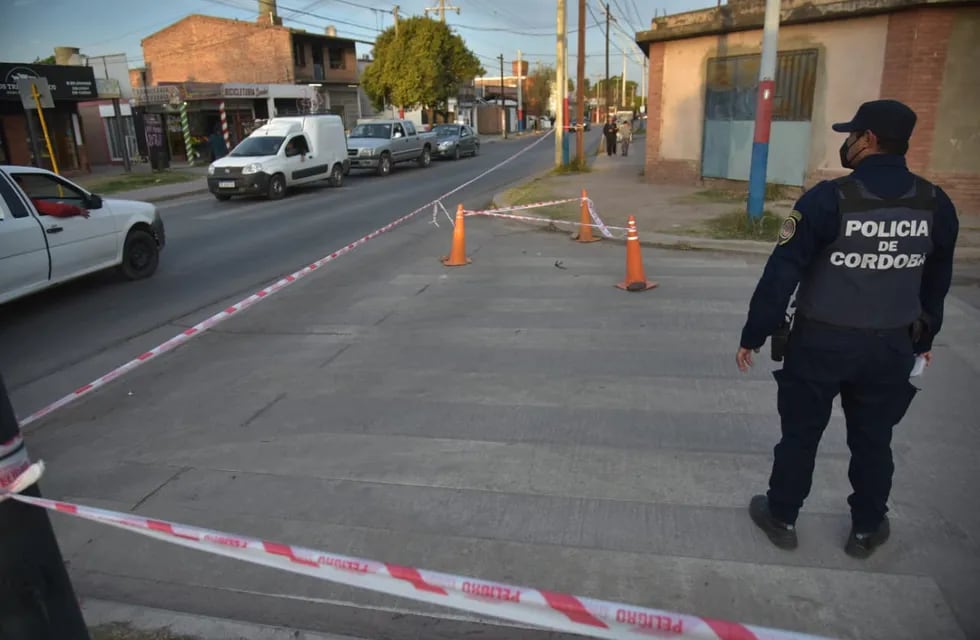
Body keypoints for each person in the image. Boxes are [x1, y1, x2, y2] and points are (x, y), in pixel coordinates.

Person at [735, 99, 959, 558]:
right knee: (874, 439)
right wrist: (926, 339)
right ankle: (866, 530)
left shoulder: (827, 200)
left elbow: (782, 274)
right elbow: (936, 283)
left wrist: (754, 334)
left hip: (821, 343)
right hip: (892, 346)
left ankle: (782, 516)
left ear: (869, 140)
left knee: (801, 434)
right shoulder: (936, 204)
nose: (847, 142)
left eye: (852, 134)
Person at [12, 175, 89, 218]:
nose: (27, 189)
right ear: (17, 187)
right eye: (23, 187)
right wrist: (78, 210)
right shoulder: (24, 201)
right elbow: (60, 210)